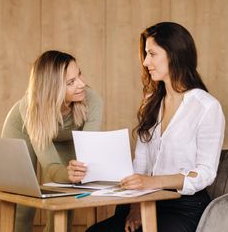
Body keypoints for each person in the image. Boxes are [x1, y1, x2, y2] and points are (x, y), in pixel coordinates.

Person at [86, 22, 225, 232]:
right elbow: (141, 163)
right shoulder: (150, 102)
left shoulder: (207, 107)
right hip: (143, 201)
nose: (145, 61)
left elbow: (205, 173)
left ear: (174, 54)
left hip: (183, 207)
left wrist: (152, 182)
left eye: (152, 54)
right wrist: (135, 207)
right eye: (145, 54)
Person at [1, 50, 103, 232]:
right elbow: (51, 166)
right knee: (23, 204)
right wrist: (63, 172)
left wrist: (73, 174)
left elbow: (88, 154)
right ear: (52, 88)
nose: (82, 84)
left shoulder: (92, 101)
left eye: (79, 74)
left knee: (66, 198)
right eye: (71, 82)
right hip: (22, 130)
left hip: (65, 138)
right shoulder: (30, 106)